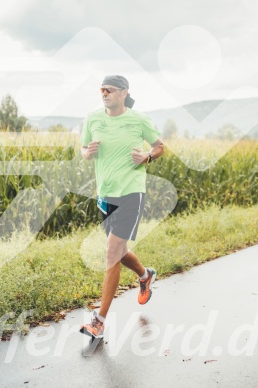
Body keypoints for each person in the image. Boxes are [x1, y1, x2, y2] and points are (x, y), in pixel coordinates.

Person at [79, 75, 164, 338]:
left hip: (131, 193)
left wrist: (148, 156)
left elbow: (160, 146)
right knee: (121, 250)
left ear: (124, 93)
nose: (104, 93)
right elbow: (83, 148)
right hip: (105, 195)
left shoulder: (138, 120)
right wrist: (87, 153)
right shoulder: (93, 119)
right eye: (102, 89)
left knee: (112, 252)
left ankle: (99, 320)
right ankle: (145, 275)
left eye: (110, 90)